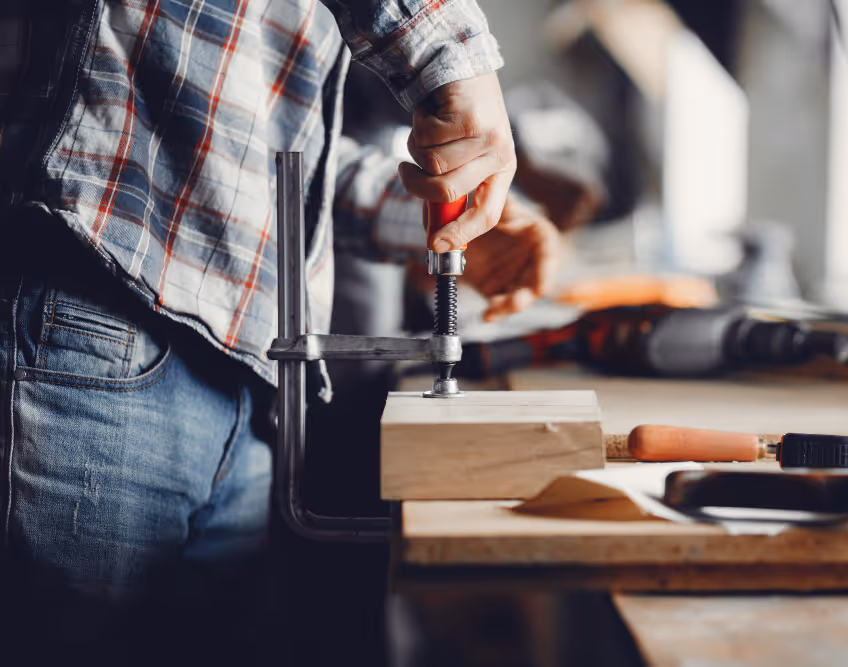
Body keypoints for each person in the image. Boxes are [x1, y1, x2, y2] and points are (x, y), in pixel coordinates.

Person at [0, 0, 557, 596]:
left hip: (243, 374)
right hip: (96, 314)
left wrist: (428, 219)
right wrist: (454, 55)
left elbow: (265, 164)